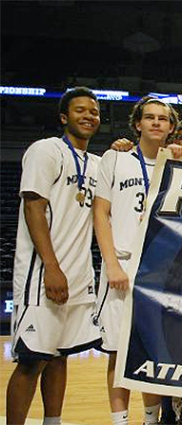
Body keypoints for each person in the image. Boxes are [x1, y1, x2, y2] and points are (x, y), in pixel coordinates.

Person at [7, 87, 103, 425]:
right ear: (64, 117)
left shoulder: (99, 163)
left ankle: (53, 422)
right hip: (43, 272)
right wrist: (51, 267)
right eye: (80, 110)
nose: (88, 116)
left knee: (60, 355)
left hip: (78, 274)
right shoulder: (45, 151)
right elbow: (34, 207)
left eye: (93, 111)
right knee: (33, 360)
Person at [94, 96, 181, 425]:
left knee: (151, 353)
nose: (157, 123)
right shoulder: (115, 159)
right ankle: (119, 421)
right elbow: (100, 214)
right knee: (118, 353)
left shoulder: (175, 163)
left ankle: (150, 419)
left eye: (163, 118)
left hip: (159, 271)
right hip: (122, 266)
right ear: (137, 124)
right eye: (150, 117)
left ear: (171, 127)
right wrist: (112, 264)